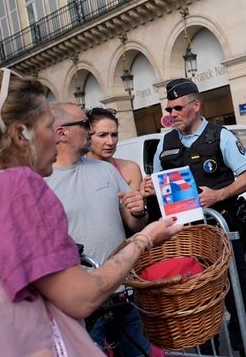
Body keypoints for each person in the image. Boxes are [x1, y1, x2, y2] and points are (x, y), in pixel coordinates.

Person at [0, 69, 181, 349]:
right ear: (20, 134)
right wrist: (145, 239)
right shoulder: (15, 185)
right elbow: (82, 296)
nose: (55, 138)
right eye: (47, 127)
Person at [142, 78, 246, 356]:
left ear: (196, 106)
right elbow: (158, 183)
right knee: (197, 306)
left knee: (237, 298)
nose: (171, 114)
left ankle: (245, 349)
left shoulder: (221, 136)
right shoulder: (166, 142)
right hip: (187, 241)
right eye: (169, 108)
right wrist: (150, 188)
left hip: (222, 234)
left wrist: (219, 195)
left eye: (178, 108)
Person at [45, 102, 154, 355]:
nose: (91, 132)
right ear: (61, 132)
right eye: (85, 125)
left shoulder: (105, 169)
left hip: (123, 296)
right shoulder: (40, 181)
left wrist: (139, 210)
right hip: (80, 305)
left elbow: (134, 224)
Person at [87, 107, 143, 190]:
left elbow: (139, 202)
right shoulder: (76, 172)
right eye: (102, 135)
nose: (111, 142)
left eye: (114, 135)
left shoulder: (130, 169)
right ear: (87, 136)